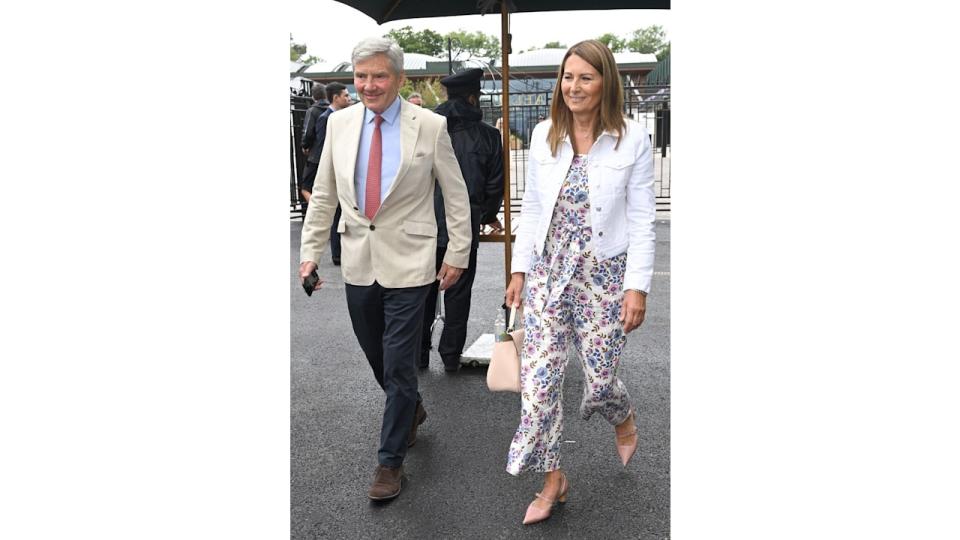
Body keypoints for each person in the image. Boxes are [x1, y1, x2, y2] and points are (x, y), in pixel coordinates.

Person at [299, 36, 472, 502]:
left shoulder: (430, 126)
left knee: (398, 362)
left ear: (398, 79)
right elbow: (325, 194)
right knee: (377, 356)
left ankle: (389, 461)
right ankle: (410, 406)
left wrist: (457, 252)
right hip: (358, 259)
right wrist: (310, 250)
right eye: (361, 77)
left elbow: (455, 194)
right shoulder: (338, 124)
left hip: (412, 263)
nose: (369, 85)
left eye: (378, 76)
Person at [503, 40, 656, 525]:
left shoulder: (632, 139)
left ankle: (621, 414)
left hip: (604, 277)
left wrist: (638, 287)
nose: (574, 87)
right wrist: (519, 269)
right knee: (540, 385)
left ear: (605, 81)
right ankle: (552, 481)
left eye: (585, 78)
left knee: (600, 377)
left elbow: (642, 220)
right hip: (550, 275)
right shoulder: (546, 134)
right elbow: (531, 208)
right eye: (568, 77)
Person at [420, 68, 504, 372]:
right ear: (473, 97)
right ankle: (451, 355)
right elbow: (494, 185)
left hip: (423, 222)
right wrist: (488, 214)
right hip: (464, 223)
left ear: (445, 95)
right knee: (458, 292)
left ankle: (419, 353)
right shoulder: (489, 135)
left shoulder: (424, 129)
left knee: (421, 290)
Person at [304, 82, 353, 265]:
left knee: (340, 209)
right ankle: (337, 253)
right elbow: (326, 146)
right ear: (335, 97)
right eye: (346, 96)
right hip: (325, 165)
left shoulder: (342, 116)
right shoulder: (327, 117)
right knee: (334, 208)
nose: (349, 99)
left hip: (340, 166)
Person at [298, 83, 329, 215]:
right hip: (331, 155)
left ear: (313, 96)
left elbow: (308, 132)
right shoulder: (332, 109)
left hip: (316, 156)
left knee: (305, 187)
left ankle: (319, 211)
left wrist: (305, 146)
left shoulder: (313, 110)